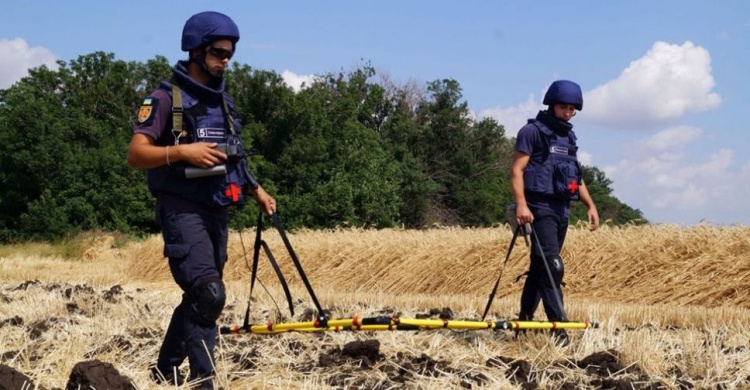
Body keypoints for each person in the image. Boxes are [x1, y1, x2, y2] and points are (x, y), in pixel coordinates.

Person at [127, 11, 275, 388]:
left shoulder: (223, 102)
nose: (225, 59)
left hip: (216, 208)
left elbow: (233, 155)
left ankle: (165, 370)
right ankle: (202, 383)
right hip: (181, 208)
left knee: (202, 297)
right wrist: (181, 152)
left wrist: (255, 189)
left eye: (230, 53)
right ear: (195, 50)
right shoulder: (163, 99)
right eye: (218, 52)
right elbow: (135, 154)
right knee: (209, 294)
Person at [510, 79, 599, 344]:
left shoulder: (568, 137)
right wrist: (522, 205)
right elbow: (517, 171)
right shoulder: (532, 132)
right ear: (551, 104)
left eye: (572, 109)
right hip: (538, 208)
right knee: (552, 267)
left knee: (540, 268)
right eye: (563, 107)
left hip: (561, 210)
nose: (568, 112)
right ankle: (559, 330)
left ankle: (523, 323)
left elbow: (575, 177)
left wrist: (590, 205)